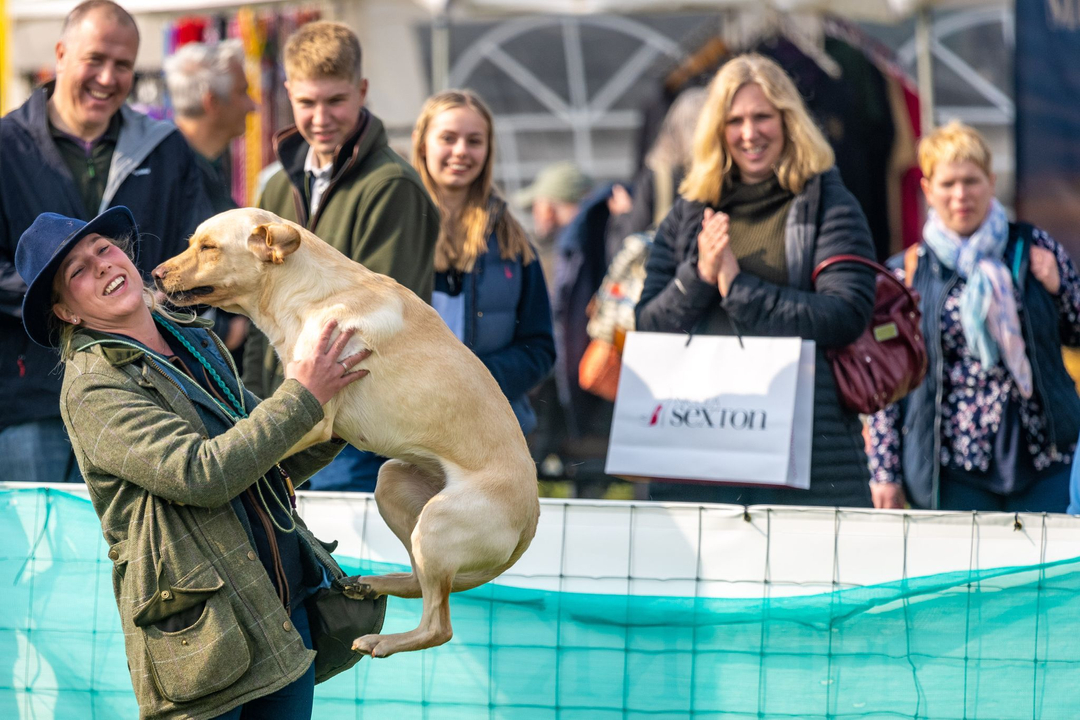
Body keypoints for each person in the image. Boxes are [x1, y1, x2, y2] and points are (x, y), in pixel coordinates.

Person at [15, 206, 378, 718]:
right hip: (204, 638)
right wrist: (305, 395)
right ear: (67, 313)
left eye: (103, 248)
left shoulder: (194, 336)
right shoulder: (93, 387)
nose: (100, 265)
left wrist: (350, 410)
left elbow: (268, 455)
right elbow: (202, 474)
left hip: (280, 608)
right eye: (76, 271)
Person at [635, 53, 877, 508]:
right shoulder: (689, 210)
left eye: (763, 116)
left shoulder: (829, 202)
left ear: (788, 121)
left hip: (807, 453)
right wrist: (701, 276)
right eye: (736, 120)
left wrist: (739, 289)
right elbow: (647, 325)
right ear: (717, 129)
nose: (750, 133)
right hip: (700, 449)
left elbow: (847, 315)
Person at [0, 0, 213, 484]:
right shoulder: (5, 146)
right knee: (44, 556)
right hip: (31, 397)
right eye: (95, 59)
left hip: (150, 392)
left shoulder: (166, 146)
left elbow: (197, 250)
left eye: (122, 65)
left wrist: (168, 301)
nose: (107, 77)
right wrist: (62, 296)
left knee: (142, 549)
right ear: (60, 53)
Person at [246, 21, 439, 492]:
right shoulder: (274, 185)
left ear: (362, 91)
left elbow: (379, 329)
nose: (321, 117)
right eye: (307, 102)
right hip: (281, 417)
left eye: (336, 100)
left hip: (353, 434)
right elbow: (257, 304)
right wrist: (253, 404)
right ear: (288, 92)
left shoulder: (392, 186)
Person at [867, 121, 1080, 512]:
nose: (961, 194)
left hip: (1043, 462)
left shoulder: (1033, 247)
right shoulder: (906, 273)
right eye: (948, 183)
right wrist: (885, 472)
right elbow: (887, 383)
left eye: (972, 180)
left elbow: (1076, 333)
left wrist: (1059, 288)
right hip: (953, 471)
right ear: (928, 190)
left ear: (991, 182)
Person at [411, 89, 555, 435]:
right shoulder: (396, 228)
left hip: (490, 433)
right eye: (448, 138)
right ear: (422, 145)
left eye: (474, 140)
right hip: (401, 431)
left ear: (488, 150)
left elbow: (540, 348)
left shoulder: (512, 240)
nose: (461, 151)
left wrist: (474, 380)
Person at [163, 39, 257, 357]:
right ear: (211, 101)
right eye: (242, 92)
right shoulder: (165, 172)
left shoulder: (204, 164)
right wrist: (224, 329)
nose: (252, 105)